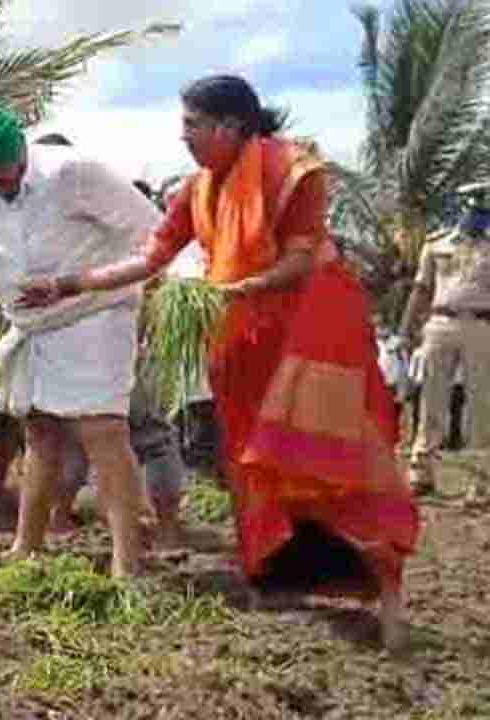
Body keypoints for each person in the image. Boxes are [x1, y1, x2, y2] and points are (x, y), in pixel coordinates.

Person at [45, 75, 419, 647]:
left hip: (312, 336)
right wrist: (70, 283)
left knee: (329, 457)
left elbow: (300, 259)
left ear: (230, 127)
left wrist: (237, 288)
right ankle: (281, 580)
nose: (183, 135)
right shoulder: (196, 189)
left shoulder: (291, 171)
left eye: (192, 124)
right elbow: (151, 257)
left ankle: (389, 599)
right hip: (242, 339)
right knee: (252, 462)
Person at [0, 102, 161, 577]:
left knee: (104, 433)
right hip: (30, 330)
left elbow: (153, 233)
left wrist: (83, 280)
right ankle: (26, 544)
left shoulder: (73, 172)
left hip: (94, 317)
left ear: (20, 148)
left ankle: (127, 562)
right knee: (39, 434)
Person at [401, 181, 490, 494]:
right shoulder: (437, 243)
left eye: (481, 202)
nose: (475, 208)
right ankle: (420, 471)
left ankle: (480, 481)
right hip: (439, 323)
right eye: (469, 201)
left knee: (483, 404)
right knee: (431, 398)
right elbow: (421, 289)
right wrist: (405, 329)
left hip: (482, 326)